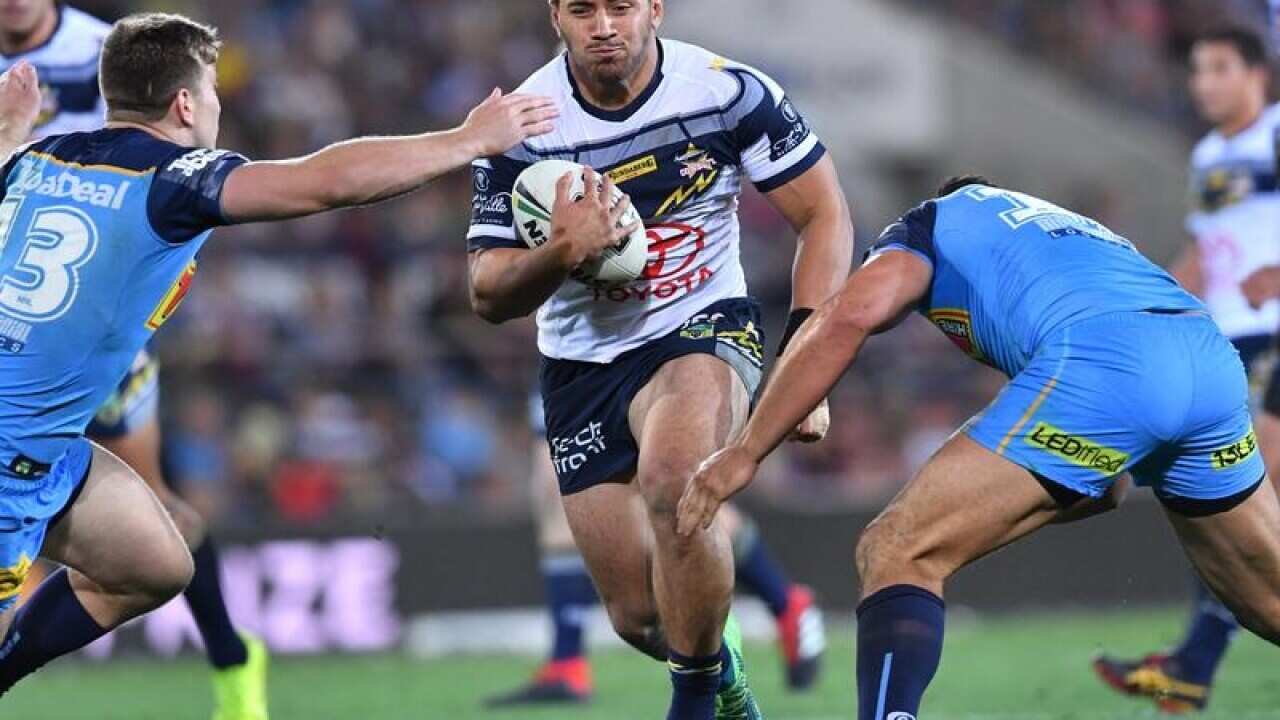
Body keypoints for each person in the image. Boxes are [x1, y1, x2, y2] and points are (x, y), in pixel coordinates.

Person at [0, 11, 555, 701]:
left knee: (154, 563)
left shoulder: (36, 160)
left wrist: (7, 129)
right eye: (211, 93)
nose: (216, 107)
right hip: (10, 463)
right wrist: (469, 139)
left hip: (46, 445)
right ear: (184, 104)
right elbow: (324, 181)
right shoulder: (176, 179)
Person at [679, 177, 1280, 720]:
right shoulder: (1075, 238)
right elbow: (1109, 483)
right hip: (1209, 363)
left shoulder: (934, 222)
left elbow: (849, 314)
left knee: (896, 550)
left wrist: (746, 450)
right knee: (1267, 603)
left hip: (1107, 366)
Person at [465, 1, 854, 717]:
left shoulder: (728, 93)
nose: (604, 24)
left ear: (655, 9)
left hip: (702, 325)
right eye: (583, 8)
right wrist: (561, 251)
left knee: (676, 483)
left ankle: (693, 707)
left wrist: (807, 354)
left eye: (621, 5)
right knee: (640, 617)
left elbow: (824, 212)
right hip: (582, 365)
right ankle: (723, 678)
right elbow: (487, 293)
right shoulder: (525, 126)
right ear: (556, 16)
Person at [0, 3, 266, 716]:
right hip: (18, 316)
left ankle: (231, 662)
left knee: (154, 518)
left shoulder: (105, 48)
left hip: (99, 309)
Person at [1092, 27, 1280, 713]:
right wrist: (1150, 308)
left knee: (1246, 505)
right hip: (1227, 344)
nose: (1204, 83)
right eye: (1197, 70)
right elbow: (1204, 252)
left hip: (1274, 334)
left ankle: (1194, 664)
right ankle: (1194, 664)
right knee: (1239, 512)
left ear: (1256, 73)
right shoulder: (1210, 156)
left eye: (1220, 68)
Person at [486, 395, 825, 707]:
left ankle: (781, 604)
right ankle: (567, 660)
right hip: (570, 345)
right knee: (557, 485)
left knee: (671, 486)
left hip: (651, 343)